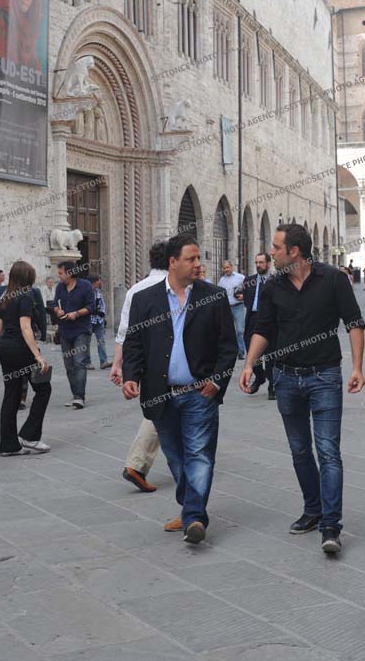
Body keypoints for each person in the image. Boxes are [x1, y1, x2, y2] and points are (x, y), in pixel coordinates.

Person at [240, 224, 365, 555]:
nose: (271, 252)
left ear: (294, 251)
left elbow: (354, 323)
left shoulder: (333, 279)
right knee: (299, 450)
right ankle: (313, 510)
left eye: (276, 247)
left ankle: (331, 525)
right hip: (285, 377)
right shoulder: (273, 285)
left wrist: (357, 367)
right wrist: (250, 363)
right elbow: (263, 328)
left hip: (324, 376)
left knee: (328, 451)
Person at [122, 233, 238, 545]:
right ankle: (190, 509)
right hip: (161, 393)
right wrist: (131, 376)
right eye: (191, 259)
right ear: (173, 262)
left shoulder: (213, 296)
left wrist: (217, 380)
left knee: (199, 455)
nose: (198, 264)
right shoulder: (145, 299)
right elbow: (134, 343)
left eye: (199, 258)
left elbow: (228, 346)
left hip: (200, 394)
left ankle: (195, 517)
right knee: (175, 457)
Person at [111, 241, 169, 494]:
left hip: (141, 361)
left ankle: (141, 464)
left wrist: (118, 364)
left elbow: (125, 331)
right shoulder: (175, 286)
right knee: (163, 409)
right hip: (166, 361)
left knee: (162, 407)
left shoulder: (136, 289)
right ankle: (137, 464)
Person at [0, 261, 51, 456]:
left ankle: (8, 445)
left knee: (11, 394)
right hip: (22, 349)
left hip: (5, 349)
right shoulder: (26, 296)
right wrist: (38, 355)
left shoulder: (4, 297)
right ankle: (30, 435)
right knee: (44, 389)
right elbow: (25, 327)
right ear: (28, 278)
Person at [54, 260, 96, 409]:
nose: (59, 276)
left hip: (81, 330)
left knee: (79, 362)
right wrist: (58, 311)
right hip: (65, 330)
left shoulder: (85, 286)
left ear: (70, 273)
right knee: (69, 365)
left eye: (61, 273)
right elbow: (55, 304)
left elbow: (91, 306)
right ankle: (75, 394)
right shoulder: (60, 287)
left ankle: (79, 397)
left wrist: (76, 314)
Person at [243, 252, 275, 399]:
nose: (258, 265)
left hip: (269, 320)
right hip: (253, 319)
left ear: (268, 264)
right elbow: (246, 301)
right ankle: (260, 376)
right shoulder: (248, 281)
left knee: (270, 354)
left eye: (261, 262)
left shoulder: (275, 281)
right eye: (256, 262)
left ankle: (272, 385)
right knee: (251, 352)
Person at [217, 260, 246, 358]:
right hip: (227, 308)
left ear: (231, 267)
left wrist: (244, 296)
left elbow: (248, 289)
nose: (226, 270)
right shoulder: (221, 281)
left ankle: (241, 351)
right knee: (228, 331)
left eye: (227, 267)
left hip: (238, 307)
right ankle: (232, 351)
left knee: (240, 330)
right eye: (224, 268)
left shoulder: (240, 277)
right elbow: (218, 294)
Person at [87, 275, 112, 369]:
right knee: (86, 342)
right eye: (98, 281)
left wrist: (102, 314)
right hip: (89, 320)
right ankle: (87, 362)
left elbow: (102, 304)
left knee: (101, 341)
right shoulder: (86, 292)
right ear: (93, 282)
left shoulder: (98, 291)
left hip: (99, 320)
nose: (100, 282)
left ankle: (103, 361)